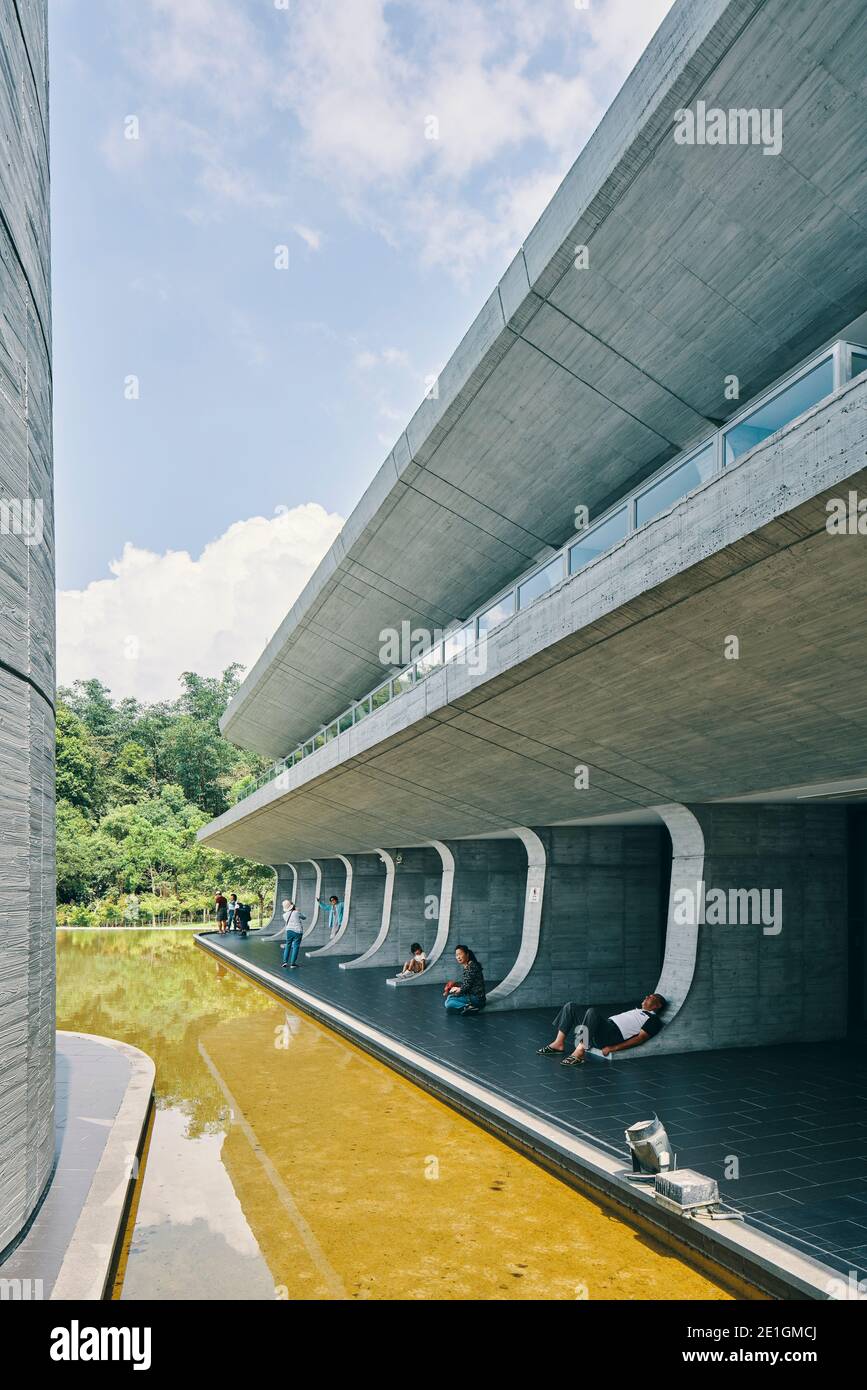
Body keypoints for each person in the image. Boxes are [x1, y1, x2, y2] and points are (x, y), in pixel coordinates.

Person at [538, 993, 667, 1064]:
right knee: (571, 1006)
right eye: (647, 996)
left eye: (651, 997)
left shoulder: (654, 1020)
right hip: (601, 1028)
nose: (646, 997)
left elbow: (640, 1039)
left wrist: (613, 1048)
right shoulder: (638, 1010)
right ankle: (558, 1043)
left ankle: (580, 1052)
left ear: (658, 1005)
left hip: (610, 1036)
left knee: (592, 1012)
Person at [444, 945, 486, 1014]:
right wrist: (457, 988)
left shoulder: (472, 966)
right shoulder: (467, 966)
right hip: (471, 996)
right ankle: (464, 1008)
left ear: (467, 954)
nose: (458, 957)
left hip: (477, 999)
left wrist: (458, 990)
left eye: (460, 954)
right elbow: (467, 984)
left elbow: (466, 986)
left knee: (449, 1002)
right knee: (449, 998)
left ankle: (469, 1008)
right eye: (456, 955)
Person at [281, 899, 306, 969]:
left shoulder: (284, 915)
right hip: (298, 931)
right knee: (295, 946)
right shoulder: (296, 912)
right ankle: (293, 963)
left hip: (289, 931)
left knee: (288, 945)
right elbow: (304, 917)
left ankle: (285, 962)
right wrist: (298, 911)